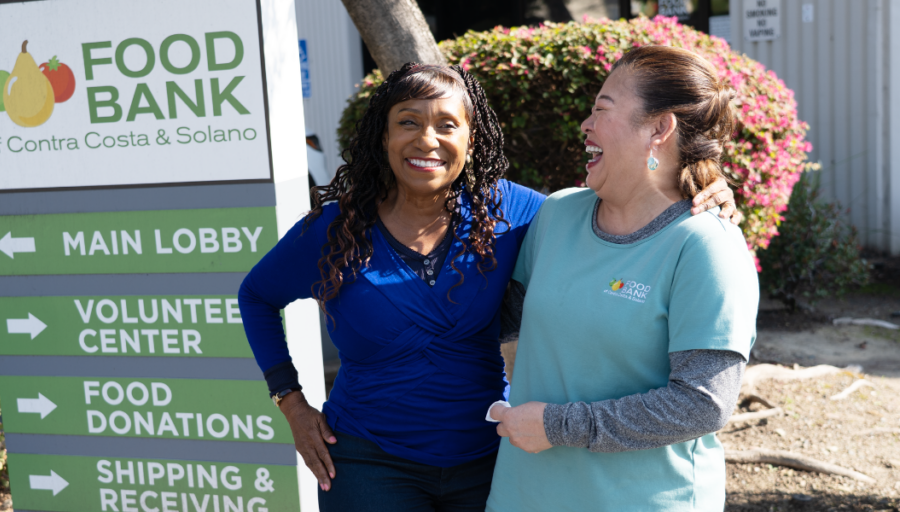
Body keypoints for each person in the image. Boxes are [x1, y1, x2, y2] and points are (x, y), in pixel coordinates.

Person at [238, 62, 739, 511]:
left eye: (447, 125)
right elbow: (256, 296)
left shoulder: (521, 215)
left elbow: (625, 221)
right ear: (382, 137)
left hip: (491, 456)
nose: (426, 140)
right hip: (370, 461)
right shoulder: (336, 229)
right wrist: (290, 401)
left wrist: (702, 188)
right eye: (407, 122)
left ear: (472, 139)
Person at [485, 45, 760, 511]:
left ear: (659, 128)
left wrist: (558, 425)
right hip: (524, 494)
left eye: (602, 109)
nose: (585, 125)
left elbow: (702, 403)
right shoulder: (558, 214)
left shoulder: (705, 245)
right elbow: (504, 317)